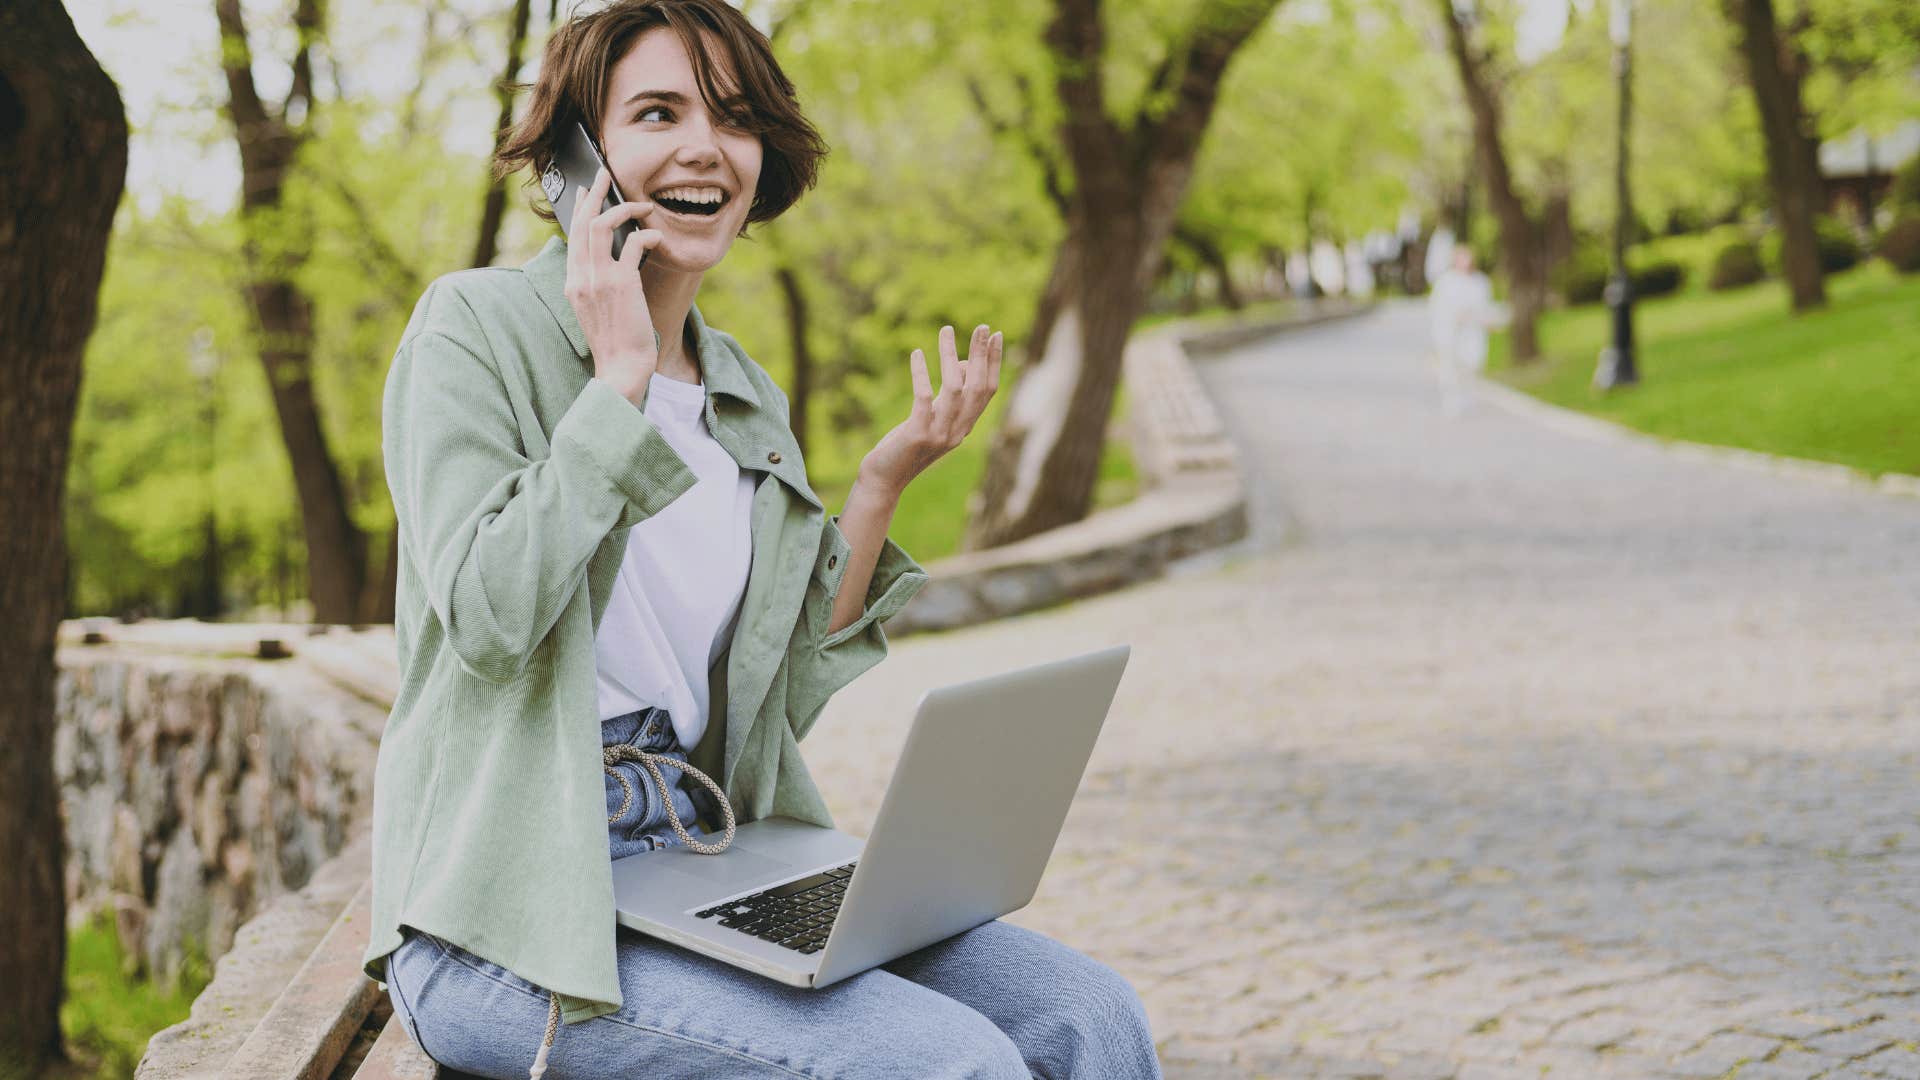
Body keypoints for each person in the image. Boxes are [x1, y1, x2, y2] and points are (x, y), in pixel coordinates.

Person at [358, 2, 1162, 1078]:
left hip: (704, 853)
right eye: (656, 111)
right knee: (945, 1066)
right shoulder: (474, 331)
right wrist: (617, 385)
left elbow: (774, 704)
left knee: (1089, 1017)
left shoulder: (742, 391)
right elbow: (491, 617)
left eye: (734, 118)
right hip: (503, 913)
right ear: (575, 156)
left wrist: (879, 487)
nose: (705, 145)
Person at [1426, 245, 1505, 416]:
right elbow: (1437, 308)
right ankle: (1451, 399)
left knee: (1473, 362)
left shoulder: (1481, 282)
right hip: (1452, 331)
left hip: (1473, 331)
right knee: (1451, 366)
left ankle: (1467, 394)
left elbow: (1486, 307)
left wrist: (1488, 321)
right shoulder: (1445, 282)